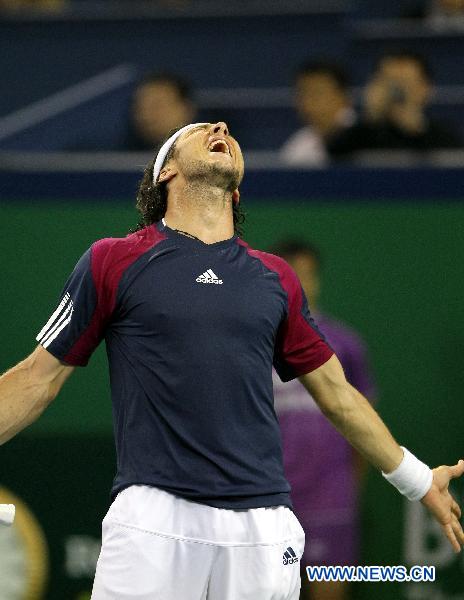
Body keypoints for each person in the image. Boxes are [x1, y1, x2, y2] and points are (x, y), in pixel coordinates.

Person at [0, 121, 463, 600]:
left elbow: (340, 397)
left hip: (262, 531)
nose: (221, 126)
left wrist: (417, 479)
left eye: (223, 129)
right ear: (166, 172)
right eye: (199, 129)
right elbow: (37, 379)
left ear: (237, 192)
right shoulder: (111, 261)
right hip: (154, 520)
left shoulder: (275, 277)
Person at [270, 240, 376, 600]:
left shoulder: (345, 345)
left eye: (306, 274)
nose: (299, 283)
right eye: (290, 274)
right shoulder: (256, 343)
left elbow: (363, 425)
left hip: (331, 500)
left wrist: (350, 490)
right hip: (269, 500)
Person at [329, 51, 462, 158]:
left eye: (405, 83)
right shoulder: (360, 135)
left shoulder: (443, 137)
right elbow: (333, 157)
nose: (396, 92)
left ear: (426, 88)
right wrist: (370, 117)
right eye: (389, 83)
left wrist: (416, 131)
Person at [280, 61, 356, 167]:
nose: (307, 101)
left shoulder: (368, 137)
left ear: (344, 96)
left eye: (317, 93)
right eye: (303, 93)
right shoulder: (297, 147)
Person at [124, 71, 196, 151]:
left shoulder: (209, 154)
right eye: (140, 107)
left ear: (186, 109)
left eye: (157, 106)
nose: (145, 116)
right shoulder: (120, 155)